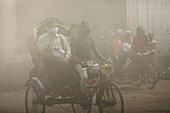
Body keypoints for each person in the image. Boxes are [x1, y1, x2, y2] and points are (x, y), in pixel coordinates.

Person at [71, 20, 107, 94]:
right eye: (86, 29)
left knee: (105, 73)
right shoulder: (75, 39)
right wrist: (81, 63)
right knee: (84, 77)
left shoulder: (91, 39)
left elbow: (97, 53)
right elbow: (73, 55)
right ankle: (83, 94)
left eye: (89, 29)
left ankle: (99, 95)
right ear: (81, 29)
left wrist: (105, 60)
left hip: (91, 63)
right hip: (79, 63)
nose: (88, 30)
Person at [37, 21, 71, 90]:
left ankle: (71, 84)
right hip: (48, 59)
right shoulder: (42, 38)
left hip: (61, 58)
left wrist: (67, 57)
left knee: (73, 63)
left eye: (56, 26)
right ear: (47, 28)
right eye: (52, 27)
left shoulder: (61, 37)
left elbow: (68, 49)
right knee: (60, 63)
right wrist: (49, 38)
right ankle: (60, 86)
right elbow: (40, 51)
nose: (55, 28)